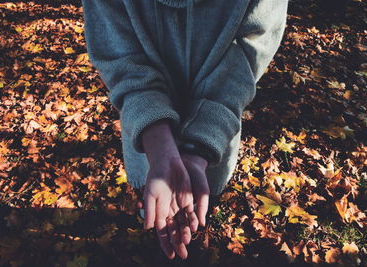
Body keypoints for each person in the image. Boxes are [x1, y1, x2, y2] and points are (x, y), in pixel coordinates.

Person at [81, 0, 288, 260]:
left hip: (209, 140)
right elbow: (119, 54)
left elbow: (250, 51)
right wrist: (159, 145)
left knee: (197, 205)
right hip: (153, 138)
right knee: (154, 201)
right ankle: (151, 215)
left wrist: (196, 147)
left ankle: (196, 231)